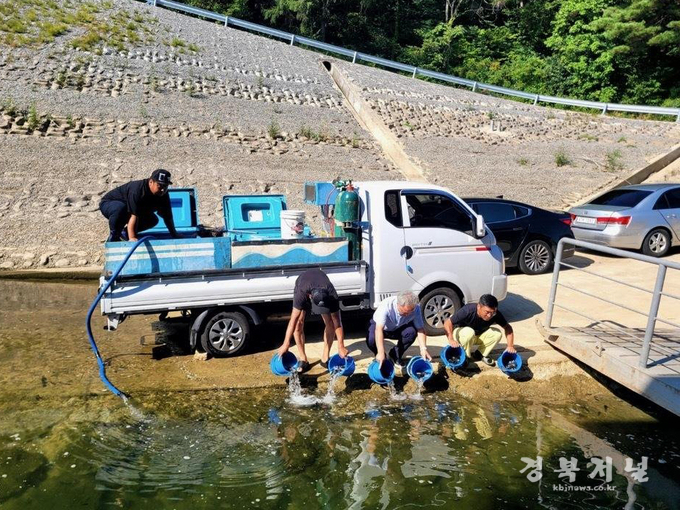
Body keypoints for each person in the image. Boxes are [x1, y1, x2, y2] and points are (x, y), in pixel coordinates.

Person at [278, 268, 348, 373]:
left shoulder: (331, 294)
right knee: (298, 323)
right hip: (303, 282)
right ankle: (303, 358)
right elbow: (293, 320)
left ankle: (325, 357)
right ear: (310, 296)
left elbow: (337, 322)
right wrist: (286, 343)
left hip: (322, 287)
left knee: (330, 322)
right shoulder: (301, 293)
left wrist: (341, 346)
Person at [99, 169, 179, 242]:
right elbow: (134, 215)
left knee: (153, 220)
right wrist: (132, 238)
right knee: (121, 208)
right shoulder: (137, 190)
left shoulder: (163, 194)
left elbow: (168, 216)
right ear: (151, 182)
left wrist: (174, 234)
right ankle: (115, 234)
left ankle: (125, 233)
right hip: (109, 204)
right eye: (160, 185)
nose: (163, 189)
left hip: (130, 210)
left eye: (165, 186)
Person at [443, 293, 515, 367]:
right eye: (487, 312)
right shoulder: (468, 310)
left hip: (476, 335)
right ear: (478, 307)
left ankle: (479, 355)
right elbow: (448, 322)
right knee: (469, 332)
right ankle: (465, 357)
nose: (489, 315)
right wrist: (451, 339)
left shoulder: (495, 314)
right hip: (462, 335)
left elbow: (508, 327)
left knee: (497, 334)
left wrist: (510, 346)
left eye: (492, 312)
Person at [366, 290, 431, 369]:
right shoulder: (386, 306)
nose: (407, 315)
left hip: (399, 327)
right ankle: (380, 356)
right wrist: (380, 352)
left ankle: (395, 355)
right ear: (398, 304)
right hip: (382, 328)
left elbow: (420, 329)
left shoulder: (415, 308)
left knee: (411, 332)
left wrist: (423, 349)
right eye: (404, 313)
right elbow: (379, 329)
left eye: (410, 313)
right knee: (371, 339)